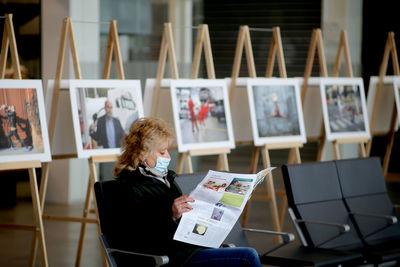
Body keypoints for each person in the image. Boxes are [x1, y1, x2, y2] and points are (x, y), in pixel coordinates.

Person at [113, 117, 262, 267]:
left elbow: (183, 227)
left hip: (187, 251)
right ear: (142, 154)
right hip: (170, 257)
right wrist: (170, 215)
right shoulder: (128, 187)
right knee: (247, 256)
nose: (168, 158)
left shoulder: (165, 180)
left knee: (241, 255)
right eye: (163, 152)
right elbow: (140, 235)